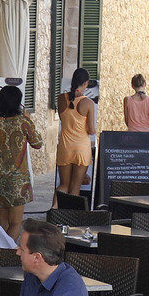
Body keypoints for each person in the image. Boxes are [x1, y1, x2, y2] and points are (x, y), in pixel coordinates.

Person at [0, 85, 43, 240]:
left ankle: (2, 252)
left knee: (2, 222)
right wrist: (29, 120)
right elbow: (37, 143)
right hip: (18, 181)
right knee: (16, 223)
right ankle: (7, 254)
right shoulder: (23, 122)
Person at [55, 68, 96, 202]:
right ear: (85, 83)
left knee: (63, 185)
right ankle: (70, 216)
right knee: (75, 188)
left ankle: (54, 210)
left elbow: (63, 120)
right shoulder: (88, 103)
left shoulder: (61, 99)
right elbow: (91, 130)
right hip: (81, 148)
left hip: (65, 146)